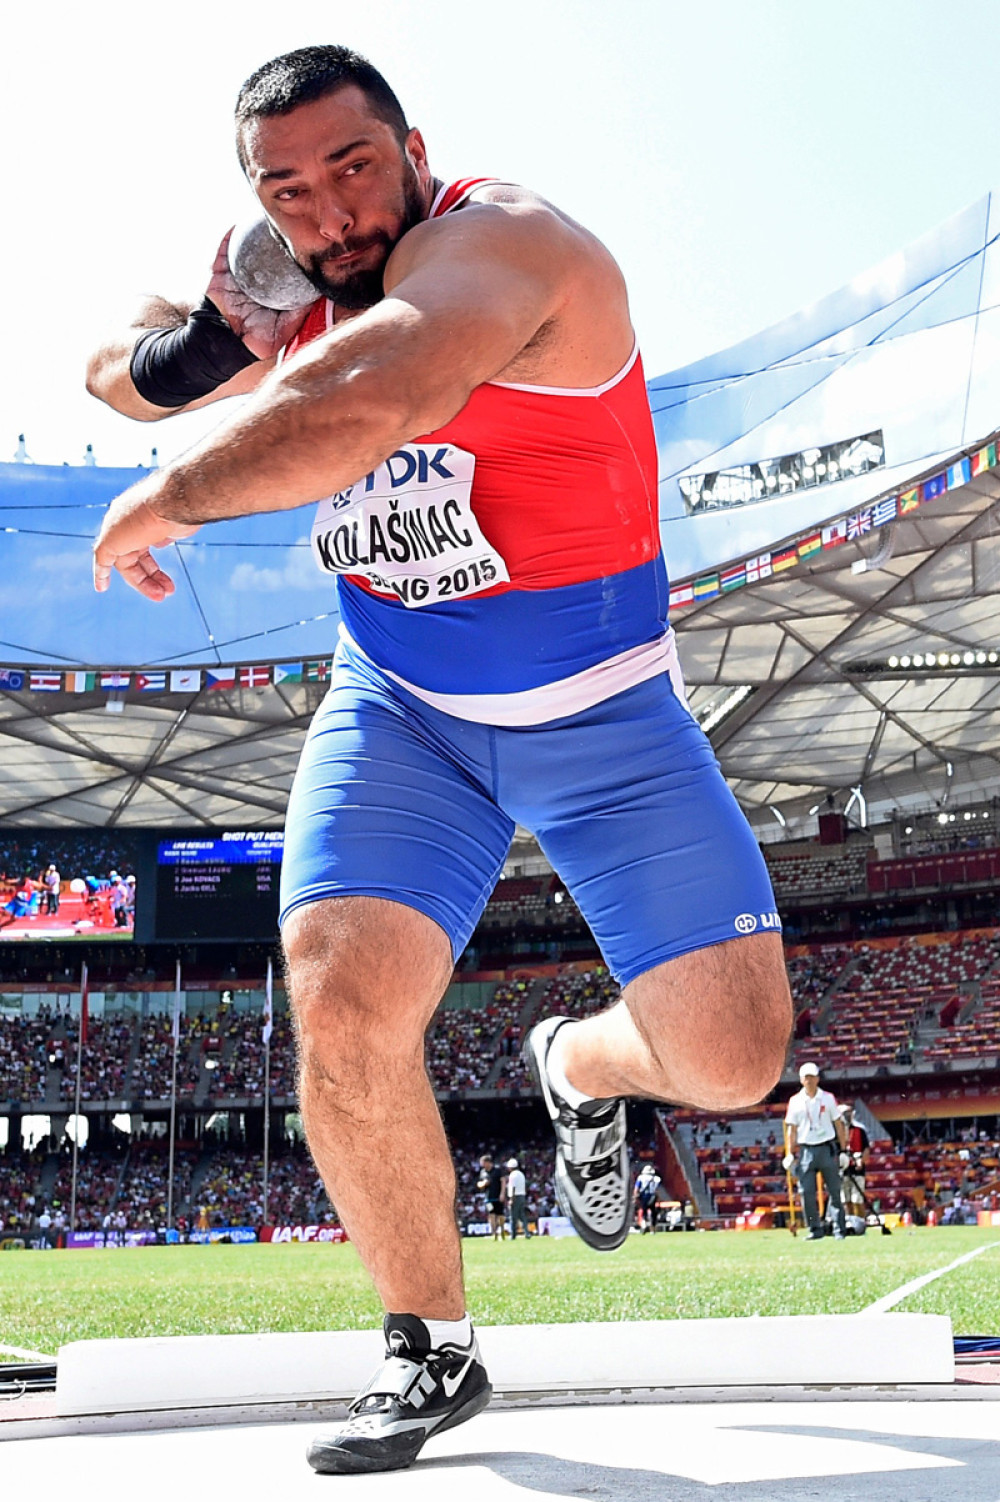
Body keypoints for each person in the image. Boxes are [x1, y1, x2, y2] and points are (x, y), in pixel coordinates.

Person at [86, 44, 792, 1474]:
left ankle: (579, 1062)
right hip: (401, 710)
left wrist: (170, 494)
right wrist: (211, 334)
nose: (330, 211)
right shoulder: (296, 277)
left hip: (604, 719)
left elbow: (364, 402)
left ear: (416, 150)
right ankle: (429, 1345)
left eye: (353, 168)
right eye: (288, 191)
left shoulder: (508, 247)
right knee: (339, 1001)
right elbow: (115, 377)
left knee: (734, 1060)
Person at [783, 1062, 849, 1240]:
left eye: (812, 1077)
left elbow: (838, 1124)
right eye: (806, 1077)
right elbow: (792, 1129)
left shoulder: (827, 1098)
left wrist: (844, 1151)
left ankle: (839, 1229)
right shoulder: (795, 1101)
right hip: (806, 1150)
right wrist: (789, 1153)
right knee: (806, 1192)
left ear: (818, 1078)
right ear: (801, 1080)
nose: (809, 1081)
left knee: (835, 1191)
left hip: (827, 1147)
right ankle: (814, 1229)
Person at [840, 1104, 870, 1225]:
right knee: (845, 1199)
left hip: (857, 1170)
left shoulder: (859, 1130)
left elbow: (866, 1148)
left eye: (849, 1113)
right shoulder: (838, 1131)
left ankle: (860, 1223)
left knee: (857, 1199)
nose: (847, 1116)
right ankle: (849, 1223)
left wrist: (861, 1161)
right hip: (842, 1170)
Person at [476, 1154, 506, 1241]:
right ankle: (494, 1233)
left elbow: (503, 1181)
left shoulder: (497, 1170)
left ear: (488, 1162)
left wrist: (502, 1193)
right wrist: (483, 1184)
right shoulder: (483, 1172)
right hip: (488, 1198)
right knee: (491, 1214)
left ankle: (502, 1231)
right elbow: (479, 1183)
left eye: (483, 1163)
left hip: (498, 1197)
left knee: (500, 1215)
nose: (482, 1165)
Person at [504, 1157, 530, 1239]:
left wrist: (511, 1199)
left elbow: (513, 1187)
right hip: (522, 1195)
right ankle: (527, 1232)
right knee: (522, 1216)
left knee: (513, 1217)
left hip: (515, 1197)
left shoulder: (513, 1175)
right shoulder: (521, 1174)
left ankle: (513, 1235)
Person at [634, 1162, 661, 1232]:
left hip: (644, 1195)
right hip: (652, 1196)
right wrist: (658, 1198)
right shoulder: (657, 1178)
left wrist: (635, 1196)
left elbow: (636, 1188)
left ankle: (644, 1224)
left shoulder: (641, 1177)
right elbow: (657, 1190)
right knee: (653, 1212)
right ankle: (652, 1228)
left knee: (644, 1210)